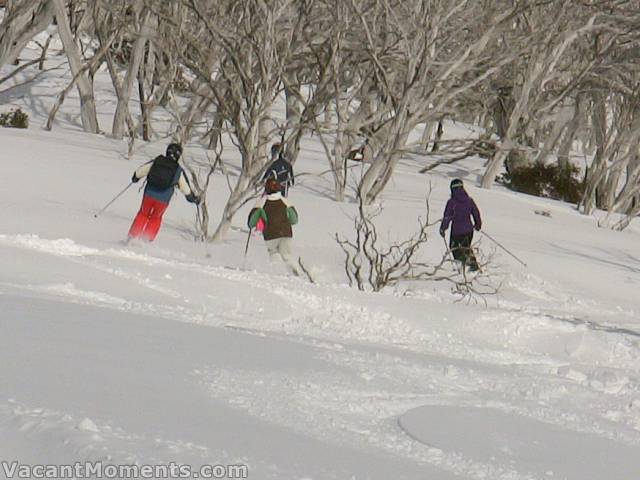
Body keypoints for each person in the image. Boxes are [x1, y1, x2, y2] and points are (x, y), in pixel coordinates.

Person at [128, 143, 200, 242]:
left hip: (149, 194)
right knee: (155, 218)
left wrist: (135, 178)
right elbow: (185, 189)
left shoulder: (157, 161)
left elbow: (140, 171)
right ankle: (146, 240)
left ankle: (132, 237)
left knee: (143, 214)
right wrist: (192, 198)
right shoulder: (178, 169)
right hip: (163, 200)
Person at [247, 178, 300, 275]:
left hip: (270, 235)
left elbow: (251, 222)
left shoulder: (262, 202)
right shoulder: (285, 201)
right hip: (286, 233)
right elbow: (294, 219)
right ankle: (296, 273)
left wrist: (254, 224)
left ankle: (276, 273)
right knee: (287, 255)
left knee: (273, 252)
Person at [439, 178, 481, 272]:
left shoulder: (452, 202)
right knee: (466, 248)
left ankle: (465, 267)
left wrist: (443, 228)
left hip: (457, 231)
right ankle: (472, 266)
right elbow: (476, 213)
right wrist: (478, 224)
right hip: (469, 230)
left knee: (454, 248)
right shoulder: (469, 201)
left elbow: (447, 216)